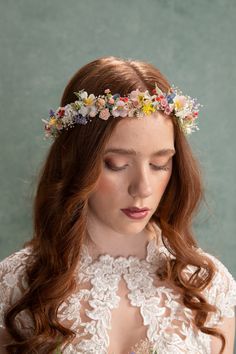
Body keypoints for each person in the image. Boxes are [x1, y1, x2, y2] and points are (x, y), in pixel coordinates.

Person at [0, 56, 235, 354]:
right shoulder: (16, 283)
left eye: (160, 164)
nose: (143, 188)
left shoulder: (207, 286)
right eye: (117, 164)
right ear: (77, 162)